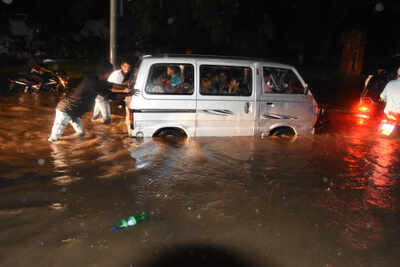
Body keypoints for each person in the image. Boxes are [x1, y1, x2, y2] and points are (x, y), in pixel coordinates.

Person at [48, 61, 132, 143]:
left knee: (81, 134)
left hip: (74, 113)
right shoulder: (95, 84)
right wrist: (128, 94)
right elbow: (112, 96)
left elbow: (111, 85)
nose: (109, 75)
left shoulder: (92, 78)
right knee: (54, 140)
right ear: (107, 73)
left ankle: (72, 146)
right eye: (110, 73)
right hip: (65, 111)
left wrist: (125, 87)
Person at [92, 60, 131, 124]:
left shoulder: (124, 74)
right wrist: (124, 90)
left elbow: (121, 85)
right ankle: (99, 131)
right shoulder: (117, 75)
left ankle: (93, 128)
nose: (127, 69)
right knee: (107, 120)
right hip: (102, 96)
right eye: (125, 67)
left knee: (95, 118)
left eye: (129, 67)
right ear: (121, 66)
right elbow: (112, 89)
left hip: (102, 94)